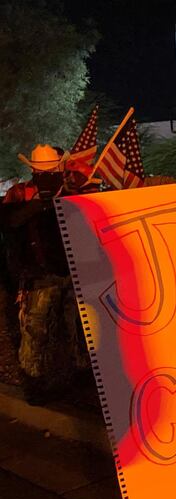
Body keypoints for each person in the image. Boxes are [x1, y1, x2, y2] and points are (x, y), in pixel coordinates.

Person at [0, 145, 90, 404]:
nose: (48, 175)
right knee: (35, 331)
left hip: (71, 274)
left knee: (75, 326)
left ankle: (78, 373)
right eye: (43, 171)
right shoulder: (21, 195)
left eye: (52, 171)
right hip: (38, 277)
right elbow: (9, 222)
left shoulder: (72, 194)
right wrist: (40, 202)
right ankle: (34, 383)